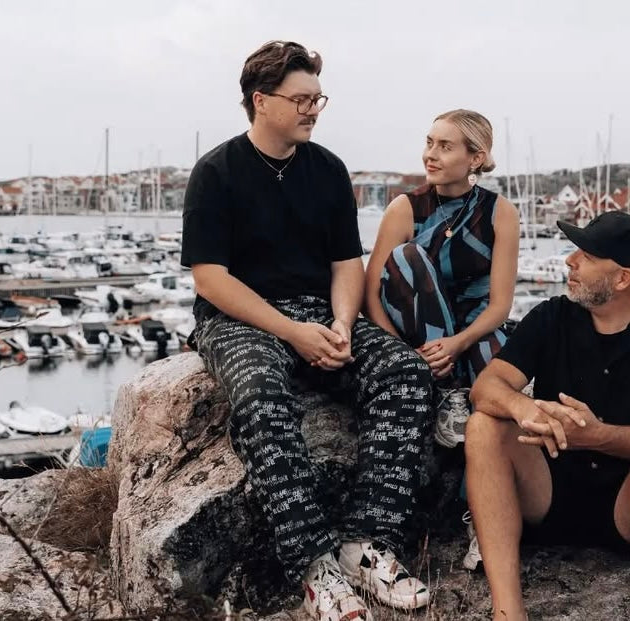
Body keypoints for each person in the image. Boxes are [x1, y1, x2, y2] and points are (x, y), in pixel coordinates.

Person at [181, 40, 433, 621]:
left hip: (320, 311)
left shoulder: (328, 169)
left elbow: (346, 263)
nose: (313, 109)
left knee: (405, 373)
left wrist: (340, 324)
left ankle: (365, 544)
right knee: (261, 397)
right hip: (240, 318)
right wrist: (292, 332)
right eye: (301, 99)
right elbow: (210, 278)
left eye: (318, 98)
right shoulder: (215, 172)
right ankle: (316, 568)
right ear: (261, 100)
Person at [463, 211, 630, 621]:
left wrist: (596, 435)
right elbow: (486, 388)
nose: (570, 261)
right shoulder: (551, 316)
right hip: (546, 492)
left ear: (623, 278)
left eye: (587, 256)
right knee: (484, 426)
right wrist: (525, 408)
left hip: (626, 505)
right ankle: (507, 613)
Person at [364, 109, 519, 390]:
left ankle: (462, 393)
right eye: (429, 143)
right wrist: (402, 352)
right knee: (408, 256)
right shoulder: (404, 209)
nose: (430, 155)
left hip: (475, 331)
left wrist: (457, 343)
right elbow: (371, 294)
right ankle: (440, 380)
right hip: (416, 337)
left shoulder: (501, 212)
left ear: (476, 159)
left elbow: (500, 305)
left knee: (496, 377)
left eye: (445, 147)